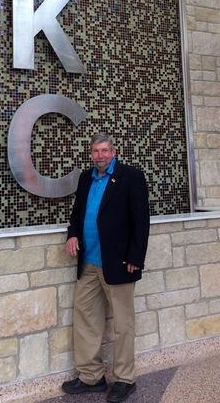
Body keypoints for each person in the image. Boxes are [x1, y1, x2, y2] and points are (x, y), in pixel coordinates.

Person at [61, 133, 150, 403]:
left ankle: (125, 379)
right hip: (88, 262)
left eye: (104, 151)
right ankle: (92, 377)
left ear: (114, 151)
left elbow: (141, 219)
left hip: (120, 263)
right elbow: (78, 212)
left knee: (123, 324)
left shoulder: (131, 177)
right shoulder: (86, 178)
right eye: (95, 152)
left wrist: (137, 255)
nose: (99, 156)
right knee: (86, 318)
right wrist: (72, 234)